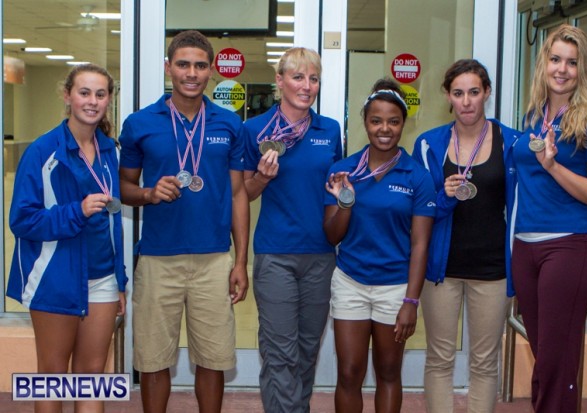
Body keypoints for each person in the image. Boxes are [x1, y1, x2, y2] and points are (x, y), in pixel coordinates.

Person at [119, 30, 249, 413]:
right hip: (159, 258)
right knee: (153, 358)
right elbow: (123, 188)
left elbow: (239, 193)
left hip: (213, 259)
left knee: (213, 357)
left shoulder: (228, 124)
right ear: (168, 68)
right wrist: (147, 193)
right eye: (182, 64)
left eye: (199, 65)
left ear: (211, 70)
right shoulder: (139, 123)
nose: (191, 73)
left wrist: (240, 261)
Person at [6, 63, 127, 413]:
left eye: (100, 94)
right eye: (84, 93)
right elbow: (23, 220)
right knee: (53, 374)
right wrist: (78, 210)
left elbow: (114, 225)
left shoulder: (110, 152)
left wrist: (119, 279)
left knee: (92, 374)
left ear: (109, 100)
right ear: (68, 96)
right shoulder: (42, 152)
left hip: (102, 278)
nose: (92, 101)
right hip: (54, 277)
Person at [511, 24, 587, 413]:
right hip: (527, 249)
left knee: (556, 364)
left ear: (584, 69)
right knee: (547, 359)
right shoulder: (533, 115)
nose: (562, 69)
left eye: (572, 63)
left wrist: (554, 166)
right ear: (543, 63)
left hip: (570, 248)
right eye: (555, 59)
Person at [412, 59, 520, 413]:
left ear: (487, 93)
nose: (467, 101)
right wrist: (442, 195)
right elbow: (422, 210)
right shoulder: (429, 145)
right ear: (448, 96)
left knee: (484, 362)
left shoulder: (511, 143)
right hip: (442, 269)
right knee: (440, 358)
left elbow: (524, 204)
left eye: (474, 92)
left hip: (492, 270)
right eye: (458, 93)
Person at [323, 78, 436, 413]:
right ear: (365, 123)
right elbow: (332, 236)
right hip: (351, 283)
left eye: (393, 121)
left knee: (388, 372)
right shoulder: (343, 171)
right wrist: (345, 202)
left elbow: (420, 244)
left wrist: (411, 301)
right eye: (376, 120)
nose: (384, 128)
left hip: (395, 288)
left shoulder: (417, 176)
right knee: (348, 373)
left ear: (403, 123)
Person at [243, 47, 342, 413]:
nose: (307, 85)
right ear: (280, 81)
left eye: (313, 78)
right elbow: (245, 194)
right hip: (276, 255)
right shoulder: (254, 130)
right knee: (279, 351)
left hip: (320, 255)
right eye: (298, 77)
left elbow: (333, 191)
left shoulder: (329, 130)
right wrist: (261, 178)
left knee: (306, 350)